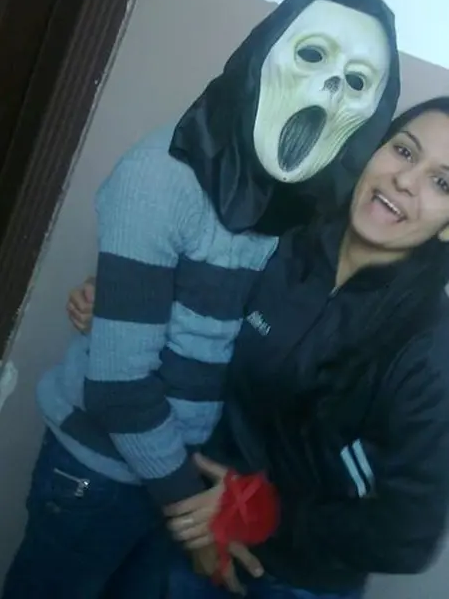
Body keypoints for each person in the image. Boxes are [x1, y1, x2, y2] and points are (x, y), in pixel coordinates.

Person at [2, 0, 399, 599]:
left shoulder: (313, 212)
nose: (329, 88)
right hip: (105, 476)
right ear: (264, 54)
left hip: (195, 479)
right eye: (312, 55)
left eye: (355, 82)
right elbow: (119, 386)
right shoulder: (160, 176)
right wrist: (192, 509)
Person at [161, 97, 449, 598]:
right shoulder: (288, 244)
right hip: (192, 535)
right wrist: (131, 301)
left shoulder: (430, 348)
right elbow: (206, 320)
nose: (405, 180)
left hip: (291, 581)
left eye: (442, 183)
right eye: (403, 151)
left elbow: (409, 535)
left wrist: (255, 512)